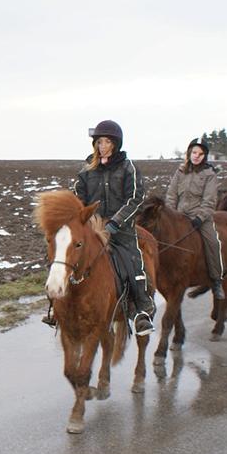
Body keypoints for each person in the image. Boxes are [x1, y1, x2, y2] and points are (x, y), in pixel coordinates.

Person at [72, 120, 156, 336]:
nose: (102, 145)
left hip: (121, 229)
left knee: (132, 261)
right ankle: (57, 306)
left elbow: (136, 198)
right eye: (99, 141)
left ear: (115, 144)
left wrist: (116, 222)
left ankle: (140, 311)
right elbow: (78, 198)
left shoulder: (128, 168)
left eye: (107, 141)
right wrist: (84, 220)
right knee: (66, 257)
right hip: (92, 228)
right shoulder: (87, 169)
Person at [165, 138, 226, 299]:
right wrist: (171, 214)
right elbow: (171, 195)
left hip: (199, 218)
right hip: (179, 216)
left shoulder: (209, 174)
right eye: (194, 152)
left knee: (212, 242)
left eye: (200, 154)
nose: (196, 156)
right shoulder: (180, 171)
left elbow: (210, 200)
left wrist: (199, 217)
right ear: (189, 153)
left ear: (204, 156)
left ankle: (216, 279)